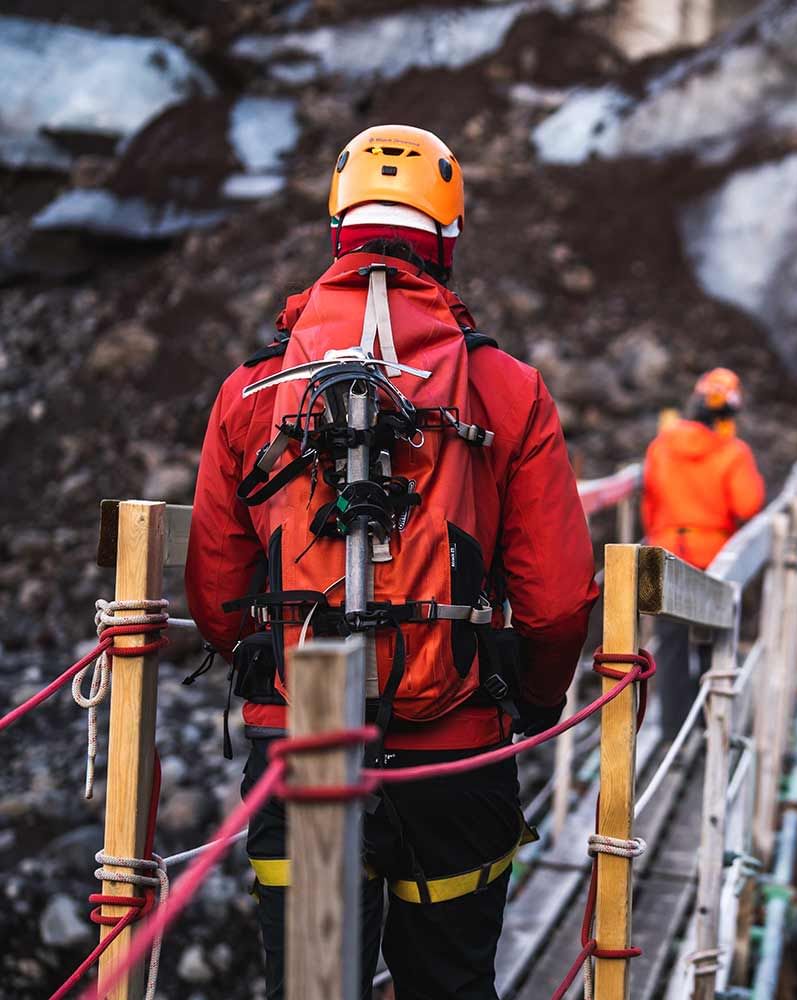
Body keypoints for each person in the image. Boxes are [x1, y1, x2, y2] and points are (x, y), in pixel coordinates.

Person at [185, 124, 597, 1000]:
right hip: (456, 757)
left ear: (337, 228)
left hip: (301, 749)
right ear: (448, 237)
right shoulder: (508, 388)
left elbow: (217, 597)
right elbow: (559, 599)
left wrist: (266, 664)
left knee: (313, 984)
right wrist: (530, 698)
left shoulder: (251, 390)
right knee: (448, 983)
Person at [640, 367, 765, 734]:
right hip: (713, 558)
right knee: (713, 643)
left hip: (663, 554)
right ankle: (711, 726)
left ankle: (672, 734)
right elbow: (748, 505)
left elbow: (650, 500)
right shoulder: (733, 452)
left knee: (671, 647)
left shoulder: (661, 445)